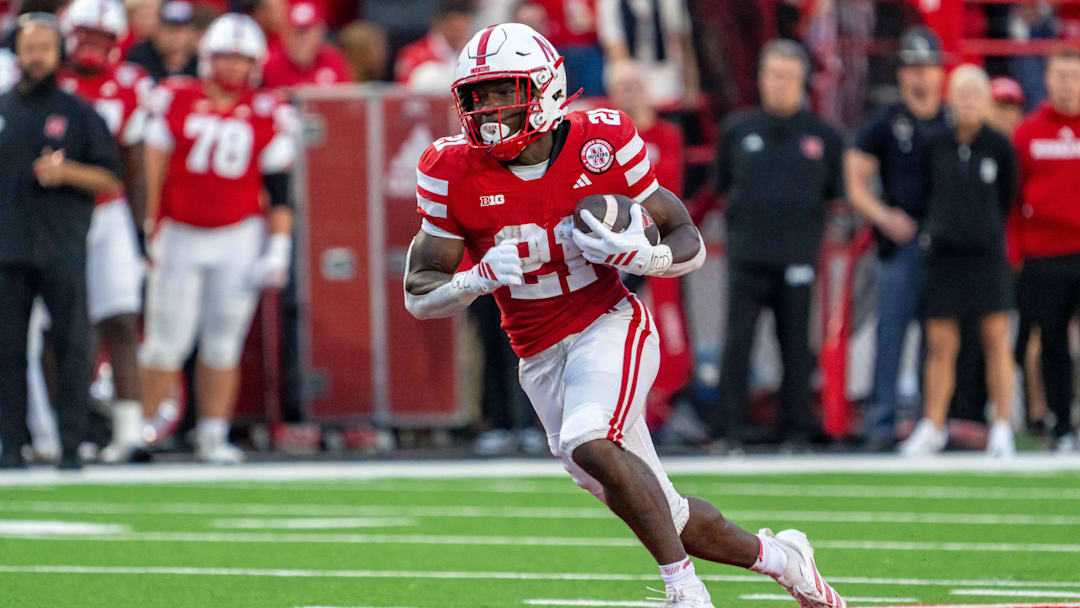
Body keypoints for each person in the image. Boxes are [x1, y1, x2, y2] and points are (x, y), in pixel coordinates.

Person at [404, 23, 845, 608]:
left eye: (502, 91)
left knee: (590, 439)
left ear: (545, 88)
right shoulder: (449, 168)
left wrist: (647, 256)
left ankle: (685, 590)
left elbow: (686, 235)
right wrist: (474, 280)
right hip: (537, 357)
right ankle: (788, 562)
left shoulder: (602, 140)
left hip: (607, 324)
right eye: (477, 95)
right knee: (669, 511)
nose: (487, 110)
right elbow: (418, 291)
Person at [139, 12, 296, 463]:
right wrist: (146, 229)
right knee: (166, 340)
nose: (232, 68)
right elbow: (153, 167)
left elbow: (279, 188)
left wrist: (279, 245)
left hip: (239, 235)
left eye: (241, 60)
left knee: (224, 340)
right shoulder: (173, 96)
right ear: (207, 58)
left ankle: (212, 432)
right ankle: (143, 430)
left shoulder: (270, 109)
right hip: (180, 232)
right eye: (225, 58)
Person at [0, 12, 122, 469]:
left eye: (44, 48)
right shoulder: (4, 109)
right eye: (29, 47)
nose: (35, 57)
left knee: (72, 345)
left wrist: (67, 171)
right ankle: (11, 444)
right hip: (8, 246)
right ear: (17, 51)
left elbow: (110, 176)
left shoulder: (79, 113)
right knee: (8, 350)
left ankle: (72, 444)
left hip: (61, 246)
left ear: (59, 54)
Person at [715, 40, 844, 449]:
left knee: (795, 346)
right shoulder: (737, 129)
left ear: (803, 81)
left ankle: (797, 429)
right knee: (738, 342)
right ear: (761, 79)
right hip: (747, 255)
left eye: (789, 76)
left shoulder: (824, 136)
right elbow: (720, 187)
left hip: (798, 257)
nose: (780, 84)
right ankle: (731, 429)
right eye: (773, 75)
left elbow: (833, 194)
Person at [898, 65, 1018, 458]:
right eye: (961, 94)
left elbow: (1007, 198)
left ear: (985, 102)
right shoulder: (935, 144)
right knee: (940, 344)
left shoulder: (1000, 147)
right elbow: (925, 193)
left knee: (996, 341)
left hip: (987, 257)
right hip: (945, 258)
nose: (968, 103)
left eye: (976, 96)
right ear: (950, 99)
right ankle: (932, 425)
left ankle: (1001, 425)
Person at [51, 0, 152, 462]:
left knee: (121, 320)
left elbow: (134, 165)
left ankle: (128, 431)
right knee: (59, 325)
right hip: (56, 212)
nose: (91, 47)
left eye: (101, 38)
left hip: (109, 213)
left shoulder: (129, 85)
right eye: (84, 35)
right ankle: (57, 429)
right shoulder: (47, 80)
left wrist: (140, 228)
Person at [844, 26, 948, 451]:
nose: (918, 77)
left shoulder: (951, 119)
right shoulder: (887, 122)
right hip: (900, 242)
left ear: (939, 72)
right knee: (892, 334)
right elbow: (854, 178)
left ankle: (932, 421)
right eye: (911, 68)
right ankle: (881, 423)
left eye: (925, 67)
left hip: (943, 244)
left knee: (940, 337)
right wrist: (883, 216)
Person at [1010, 48, 1080, 452]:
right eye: (1061, 75)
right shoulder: (1028, 133)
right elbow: (1014, 200)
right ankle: (1061, 425)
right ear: (1049, 80)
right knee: (1051, 343)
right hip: (1044, 256)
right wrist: (1017, 251)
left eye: (1074, 76)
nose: (1068, 84)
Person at [596, 0, 700, 108]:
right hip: (630, 73)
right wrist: (634, 86)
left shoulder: (670, 3)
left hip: (664, 73)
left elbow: (683, 44)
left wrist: (690, 83)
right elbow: (615, 50)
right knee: (620, 75)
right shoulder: (610, 3)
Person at [261, 1, 351, 89]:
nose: (302, 38)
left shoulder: (333, 60)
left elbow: (346, 98)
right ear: (286, 32)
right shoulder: (271, 65)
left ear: (319, 32)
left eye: (307, 31)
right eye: (297, 31)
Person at [393, 0, 472, 94]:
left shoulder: (471, 53)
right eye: (455, 28)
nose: (458, 33)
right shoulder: (413, 54)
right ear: (440, 23)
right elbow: (404, 93)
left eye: (462, 29)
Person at [124, 0, 197, 81]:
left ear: (191, 33)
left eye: (179, 30)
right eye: (169, 29)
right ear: (157, 29)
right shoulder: (140, 56)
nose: (174, 37)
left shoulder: (199, 63)